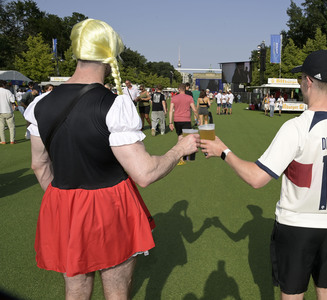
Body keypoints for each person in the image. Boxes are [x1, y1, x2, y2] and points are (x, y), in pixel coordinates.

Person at [24, 19, 198, 300]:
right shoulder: (114, 105)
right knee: (116, 291)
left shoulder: (39, 104)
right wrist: (179, 149)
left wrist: (68, 204)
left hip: (64, 205)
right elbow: (144, 173)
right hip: (110, 205)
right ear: (110, 55)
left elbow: (39, 164)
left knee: (76, 290)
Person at [200, 50, 327, 300]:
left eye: (301, 79)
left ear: (309, 82)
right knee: (326, 289)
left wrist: (223, 151)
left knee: (293, 294)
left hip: (297, 226)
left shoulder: (297, 127)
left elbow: (256, 178)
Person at [169, 83, 198, 165]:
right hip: (186, 120)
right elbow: (194, 109)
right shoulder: (189, 98)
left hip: (177, 120)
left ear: (178, 89)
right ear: (185, 89)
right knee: (187, 138)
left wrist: (170, 122)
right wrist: (198, 118)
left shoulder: (174, 98)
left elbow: (171, 110)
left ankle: (181, 157)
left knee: (180, 137)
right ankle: (185, 155)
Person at [0, 80, 16, 144]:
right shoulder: (7, 91)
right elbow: (12, 100)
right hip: (8, 110)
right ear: (4, 85)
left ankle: (3, 140)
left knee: (1, 127)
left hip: (0, 112)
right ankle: (12, 140)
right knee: (11, 127)